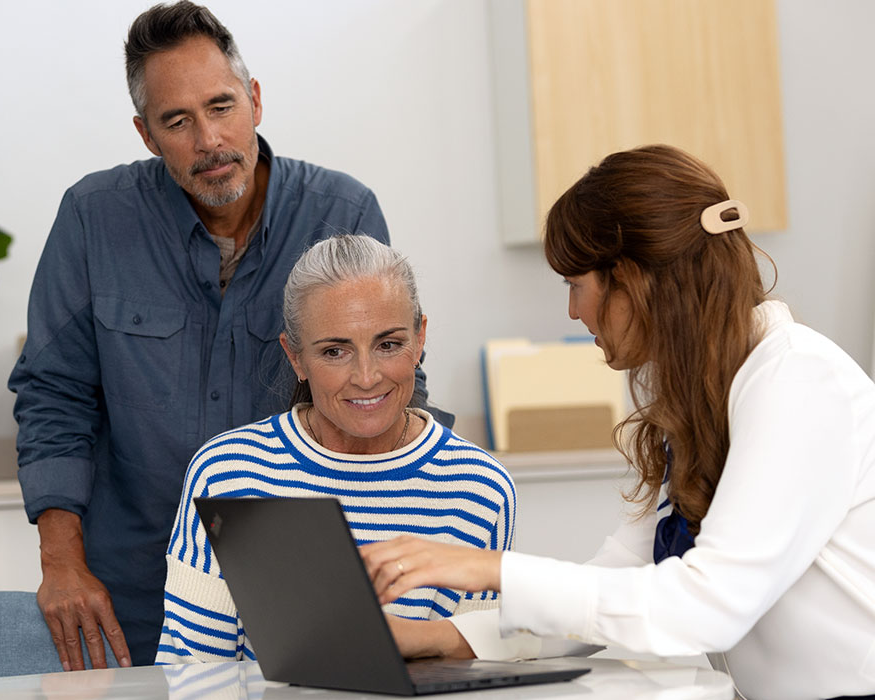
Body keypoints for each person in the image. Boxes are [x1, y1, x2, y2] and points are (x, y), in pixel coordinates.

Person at [7, 1, 450, 671]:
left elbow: (390, 386)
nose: (209, 140)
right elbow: (53, 396)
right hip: (129, 589)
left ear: (255, 99)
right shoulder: (93, 219)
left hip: (304, 587)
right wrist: (61, 563)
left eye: (221, 106)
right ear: (146, 134)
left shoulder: (342, 211)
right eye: (177, 121)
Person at [362, 145, 875, 700]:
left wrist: (491, 569)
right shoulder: (713, 393)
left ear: (631, 279)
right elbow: (614, 586)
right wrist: (437, 637)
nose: (573, 311)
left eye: (573, 284)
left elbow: (706, 606)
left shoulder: (798, 379)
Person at [155, 234, 516, 664]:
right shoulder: (226, 473)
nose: (366, 377)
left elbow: (478, 675)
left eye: (388, 345)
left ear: (420, 338)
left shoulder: (480, 487)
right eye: (334, 351)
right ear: (295, 357)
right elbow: (192, 673)